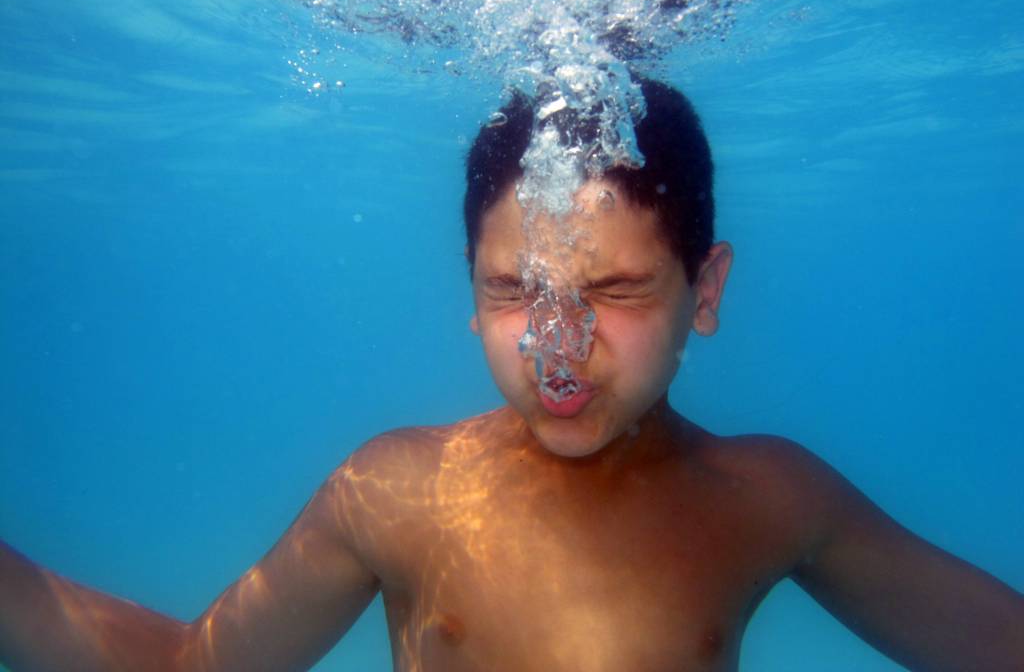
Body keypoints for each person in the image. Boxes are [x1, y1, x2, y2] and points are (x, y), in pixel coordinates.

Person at [1, 79, 1022, 672]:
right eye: (514, 292)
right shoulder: (395, 492)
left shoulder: (766, 499)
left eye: (616, 291)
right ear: (470, 287)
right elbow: (194, 668)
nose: (557, 348)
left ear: (703, 291)